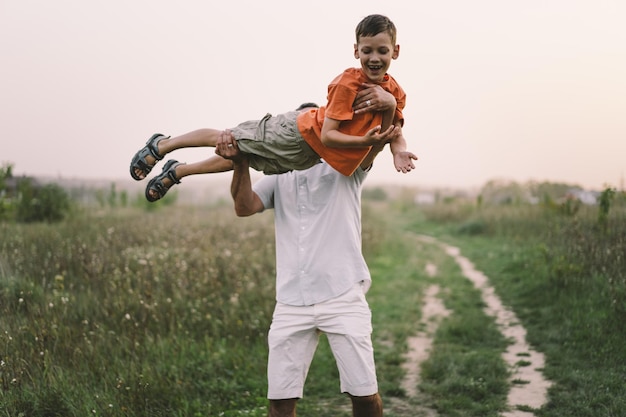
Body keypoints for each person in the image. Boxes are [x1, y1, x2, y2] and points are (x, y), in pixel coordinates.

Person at [129, 14, 417, 201]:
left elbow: (394, 132)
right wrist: (363, 140)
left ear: (395, 51)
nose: (374, 57)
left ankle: (177, 171)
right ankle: (164, 144)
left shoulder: (395, 93)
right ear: (356, 51)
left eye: (382, 50)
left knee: (239, 155)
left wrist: (399, 150)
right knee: (229, 137)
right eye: (367, 51)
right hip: (298, 134)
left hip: (308, 156)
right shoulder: (348, 84)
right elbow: (329, 135)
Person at [215, 126, 386, 417]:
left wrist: (389, 106)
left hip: (342, 295)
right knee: (280, 404)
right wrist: (240, 162)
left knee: (364, 395)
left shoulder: (347, 167)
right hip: (291, 302)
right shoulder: (279, 175)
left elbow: (376, 147)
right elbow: (244, 207)